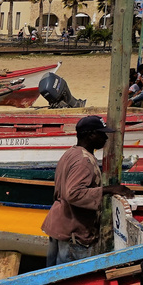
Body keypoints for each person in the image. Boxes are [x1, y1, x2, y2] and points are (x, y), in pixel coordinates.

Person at [41, 115, 132, 268]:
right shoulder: (84, 161)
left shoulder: (71, 153)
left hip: (60, 226)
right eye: (101, 133)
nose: (105, 137)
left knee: (52, 279)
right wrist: (109, 190)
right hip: (73, 234)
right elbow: (74, 193)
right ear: (90, 135)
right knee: (68, 283)